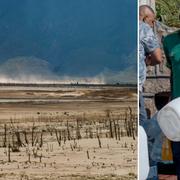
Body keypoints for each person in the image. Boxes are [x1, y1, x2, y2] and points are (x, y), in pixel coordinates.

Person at [139, 5, 162, 180]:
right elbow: (157, 57)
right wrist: (147, 62)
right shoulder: (142, 27)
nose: (153, 24)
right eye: (152, 21)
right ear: (145, 17)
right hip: (134, 89)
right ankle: (149, 174)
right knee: (146, 133)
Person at [163, 30, 180, 180]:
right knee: (179, 154)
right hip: (177, 109)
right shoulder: (169, 41)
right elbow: (173, 73)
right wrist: (171, 97)